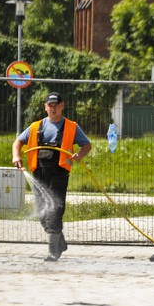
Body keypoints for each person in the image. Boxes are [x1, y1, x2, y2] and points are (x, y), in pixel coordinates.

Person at [12, 92, 92, 261]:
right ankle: (60, 242)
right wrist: (16, 156)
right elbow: (17, 142)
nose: (53, 108)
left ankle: (53, 252)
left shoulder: (71, 127)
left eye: (56, 105)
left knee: (54, 211)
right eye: (50, 105)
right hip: (39, 173)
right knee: (42, 213)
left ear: (62, 106)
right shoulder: (35, 127)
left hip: (59, 174)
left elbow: (87, 145)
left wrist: (79, 155)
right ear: (45, 107)